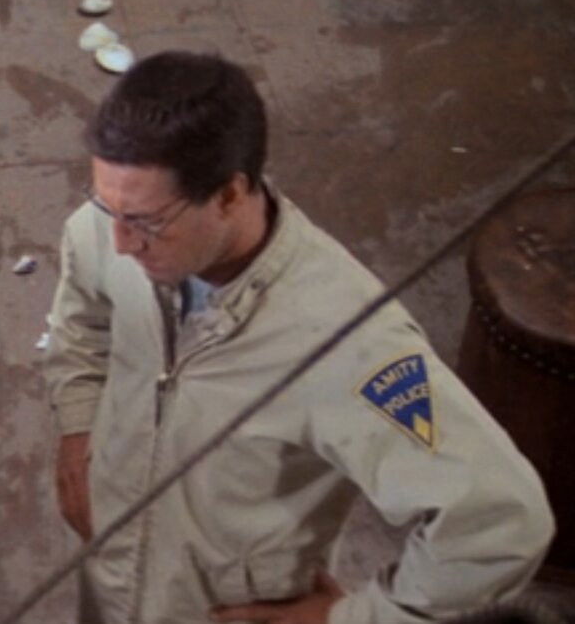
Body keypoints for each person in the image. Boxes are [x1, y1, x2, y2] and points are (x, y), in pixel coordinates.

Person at [42, 52, 554, 624]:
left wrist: (353, 619)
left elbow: (502, 521)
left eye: (145, 220)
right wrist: (77, 426)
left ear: (229, 195)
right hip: (108, 571)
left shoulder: (347, 344)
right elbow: (83, 317)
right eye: (106, 206)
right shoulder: (110, 226)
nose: (119, 242)